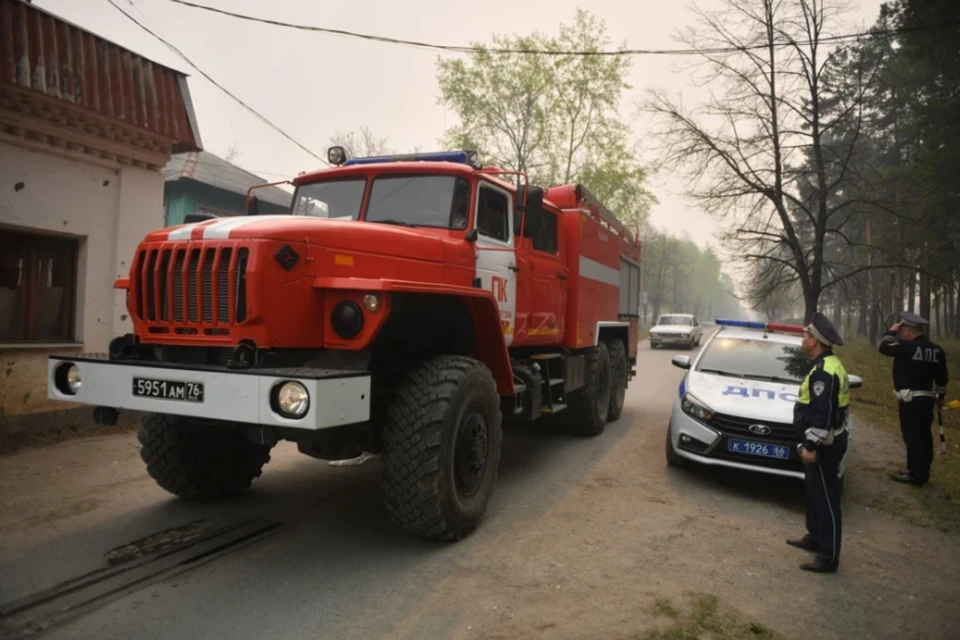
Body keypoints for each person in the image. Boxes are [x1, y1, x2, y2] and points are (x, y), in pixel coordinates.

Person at [786, 312, 849, 574]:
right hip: (823, 442)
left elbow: (823, 413)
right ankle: (815, 537)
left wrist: (812, 446)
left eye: (805, 335)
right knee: (814, 493)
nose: (802, 339)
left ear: (814, 341)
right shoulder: (826, 365)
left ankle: (828, 556)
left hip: (825, 445)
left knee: (825, 499)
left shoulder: (824, 372)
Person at [879, 311, 949, 487]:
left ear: (908, 332)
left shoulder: (906, 347)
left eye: (903, 333)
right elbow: (942, 378)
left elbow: (884, 347)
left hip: (910, 400)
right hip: (927, 400)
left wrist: (891, 331)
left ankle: (916, 475)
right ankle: (920, 470)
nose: (902, 335)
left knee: (912, 436)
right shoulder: (937, 351)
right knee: (924, 435)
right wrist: (941, 396)